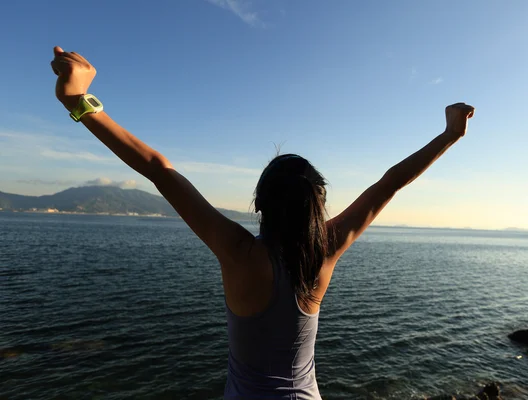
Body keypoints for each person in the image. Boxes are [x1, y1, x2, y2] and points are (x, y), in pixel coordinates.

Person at [50, 46, 475, 399]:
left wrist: (80, 101)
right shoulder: (325, 250)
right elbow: (390, 183)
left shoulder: (238, 252)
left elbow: (158, 169)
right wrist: (449, 136)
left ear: (259, 205)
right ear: (318, 206)